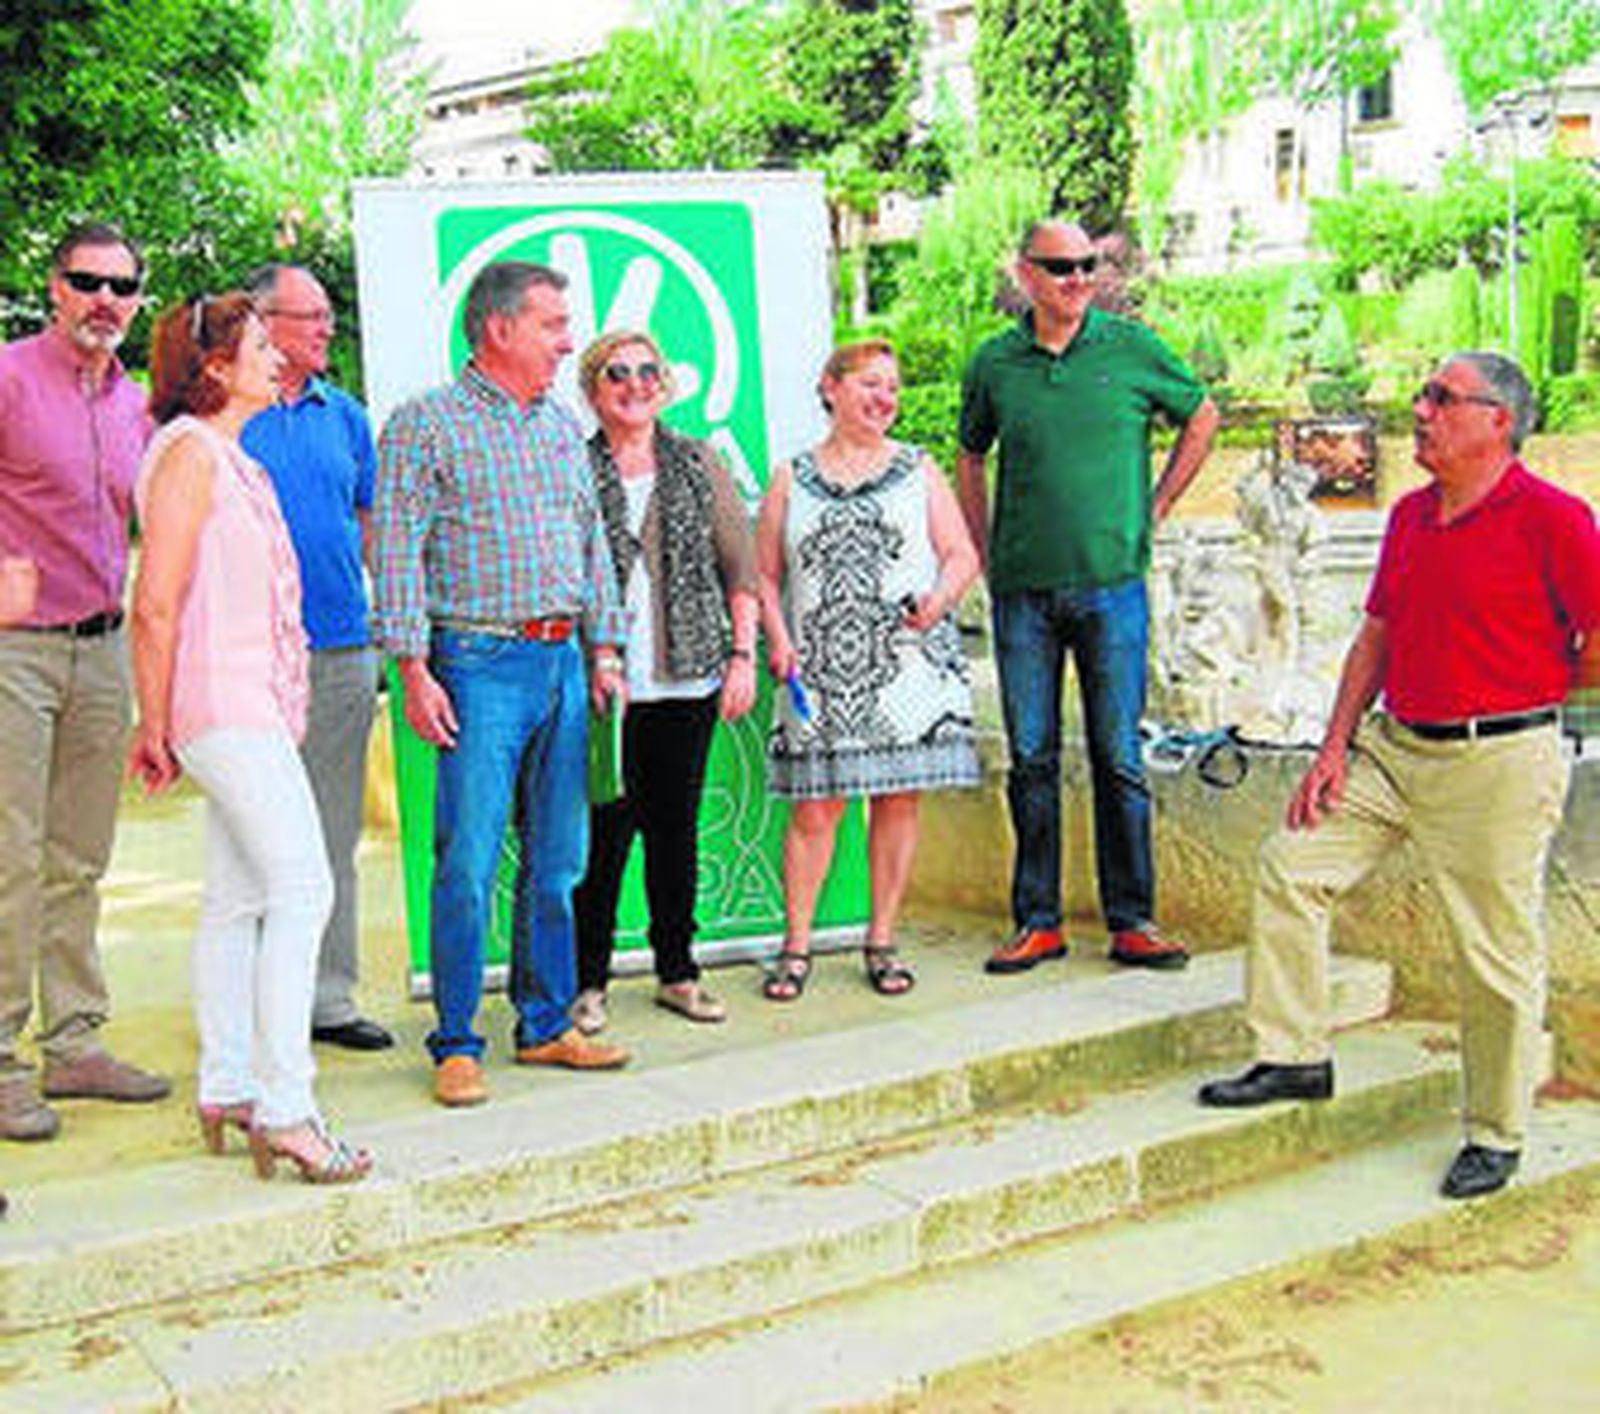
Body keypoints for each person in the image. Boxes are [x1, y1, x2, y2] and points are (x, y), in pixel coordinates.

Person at [1199, 353, 1600, 1201]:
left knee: (1494, 951)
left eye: (1442, 398)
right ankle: (1294, 1053)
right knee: (1290, 868)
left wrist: (1536, 688)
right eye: (1422, 394)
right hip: (1394, 747)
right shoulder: (1413, 515)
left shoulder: (1555, 519)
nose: (1420, 410)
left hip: (1498, 758)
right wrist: (1334, 746)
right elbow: (1375, 634)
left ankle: (1496, 1131)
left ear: (1498, 421)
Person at [374, 261, 630, 1109]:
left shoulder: (561, 429)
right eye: (554, 325)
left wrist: (604, 650)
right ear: (499, 329)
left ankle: (546, 1023)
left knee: (559, 862)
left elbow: (592, 545)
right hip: (476, 667)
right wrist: (412, 668)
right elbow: (397, 551)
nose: (567, 342)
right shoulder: (424, 425)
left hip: (564, 664)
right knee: (470, 859)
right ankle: (455, 1040)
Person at [129, 293, 370, 1184]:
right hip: (222, 707)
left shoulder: (231, 459)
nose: (280, 357)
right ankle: (287, 1106)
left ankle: (228, 1084)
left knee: (237, 899)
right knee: (301, 888)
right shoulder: (192, 455)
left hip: (251, 704)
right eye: (261, 345)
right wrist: (153, 722)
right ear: (216, 369)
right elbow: (155, 603)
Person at [957, 218, 1220, 976]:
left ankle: (1133, 919)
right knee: (1030, 759)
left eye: (1088, 267)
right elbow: (971, 454)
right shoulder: (994, 364)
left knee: (1120, 756)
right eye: (1062, 268)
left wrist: (1159, 504)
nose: (1078, 280)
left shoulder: (1132, 348)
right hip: (1022, 594)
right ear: (1026, 274)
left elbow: (1201, 417)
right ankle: (1036, 921)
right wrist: (980, 547)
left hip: (1113, 587)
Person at [0, 221, 170, 1145]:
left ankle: (74, 1043)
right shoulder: (6, 378)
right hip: (14, 653)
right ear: (54, 285)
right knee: (8, 860)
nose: (106, 299)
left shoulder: (133, 405)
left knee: (80, 860)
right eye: (88, 281)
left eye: (123, 285)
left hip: (101, 648)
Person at [756, 339, 981, 1001]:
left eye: (893, 388)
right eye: (870, 384)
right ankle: (795, 947)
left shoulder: (919, 469)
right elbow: (766, 577)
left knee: (896, 803)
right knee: (816, 811)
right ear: (831, 387)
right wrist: (777, 639)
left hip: (907, 667)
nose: (885, 398)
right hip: (815, 670)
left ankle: (882, 940)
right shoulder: (790, 476)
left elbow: (961, 554)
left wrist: (938, 602)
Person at [570, 331, 759, 1032]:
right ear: (593, 389)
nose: (636, 383)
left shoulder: (695, 460)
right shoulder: (573, 465)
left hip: (688, 682)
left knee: (675, 832)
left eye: (649, 370)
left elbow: (740, 569)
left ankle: (677, 972)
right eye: (617, 373)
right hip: (604, 690)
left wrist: (742, 656)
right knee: (602, 838)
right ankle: (588, 983)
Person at [241, 263, 392, 1053]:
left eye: (330, 316)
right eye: (310, 318)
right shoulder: (229, 418)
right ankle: (254, 1008)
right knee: (252, 843)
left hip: (339, 647)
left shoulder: (347, 416)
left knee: (331, 835)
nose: (328, 329)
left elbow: (367, 522)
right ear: (263, 322)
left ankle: (326, 1001)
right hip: (249, 661)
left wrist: (388, 623)